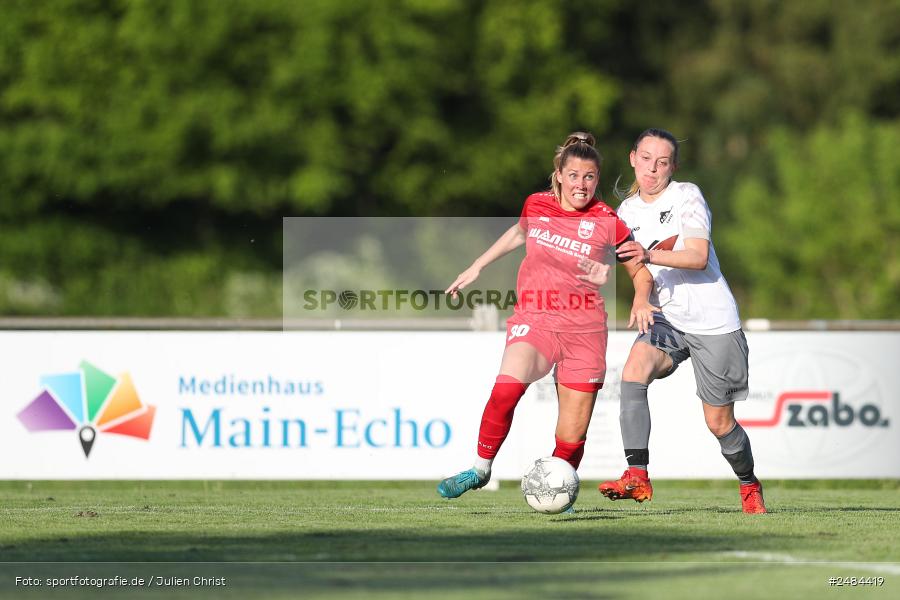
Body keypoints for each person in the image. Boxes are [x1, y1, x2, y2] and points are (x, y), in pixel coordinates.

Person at [437, 132, 656, 501]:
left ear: (597, 180)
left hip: (584, 331)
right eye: (573, 176)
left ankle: (559, 491)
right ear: (559, 174)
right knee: (506, 388)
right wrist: (477, 266)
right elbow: (519, 233)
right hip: (536, 318)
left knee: (571, 434)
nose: (581, 185)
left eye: (589, 177)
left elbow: (638, 267)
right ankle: (479, 470)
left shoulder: (607, 220)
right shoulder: (536, 204)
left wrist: (639, 297)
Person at [597, 128, 766, 514]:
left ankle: (748, 483)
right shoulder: (625, 213)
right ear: (632, 158)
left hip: (713, 321)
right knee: (632, 373)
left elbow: (698, 256)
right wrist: (641, 299)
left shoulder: (687, 195)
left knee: (719, 423)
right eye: (645, 159)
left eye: (662, 162)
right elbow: (637, 271)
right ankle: (637, 476)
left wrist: (650, 256)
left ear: (673, 166)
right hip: (668, 319)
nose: (652, 169)